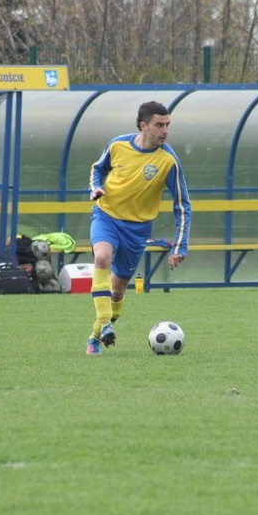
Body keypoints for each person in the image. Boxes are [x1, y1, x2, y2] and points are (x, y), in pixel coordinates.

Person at [85, 101, 192, 355]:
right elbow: (97, 169)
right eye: (159, 125)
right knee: (101, 257)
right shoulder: (118, 145)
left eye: (168, 125)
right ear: (143, 126)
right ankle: (104, 326)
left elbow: (183, 205)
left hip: (137, 230)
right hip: (106, 216)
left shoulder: (168, 161)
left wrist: (180, 245)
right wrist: (95, 188)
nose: (165, 130)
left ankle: (95, 336)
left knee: (118, 288)